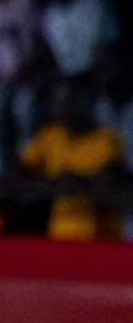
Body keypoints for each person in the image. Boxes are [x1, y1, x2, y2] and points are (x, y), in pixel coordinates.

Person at [17, 74, 125, 240]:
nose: (62, 108)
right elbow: (22, 169)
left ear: (89, 103)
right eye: (58, 102)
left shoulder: (107, 140)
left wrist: (74, 180)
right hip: (60, 237)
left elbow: (109, 180)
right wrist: (47, 181)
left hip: (100, 241)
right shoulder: (51, 135)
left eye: (70, 102)